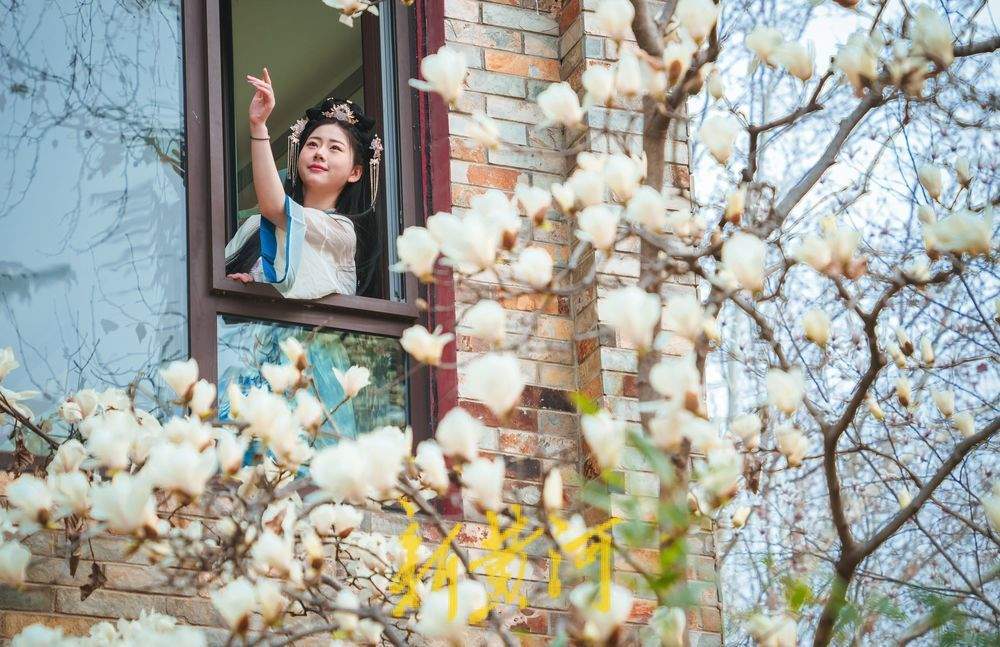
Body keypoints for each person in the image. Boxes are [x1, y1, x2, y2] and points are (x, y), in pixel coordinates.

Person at [224, 67, 383, 299]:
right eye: (312, 144)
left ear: (355, 173)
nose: (319, 153)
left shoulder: (342, 231)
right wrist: (246, 286)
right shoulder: (253, 226)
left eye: (335, 148)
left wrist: (259, 126)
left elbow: (278, 209)